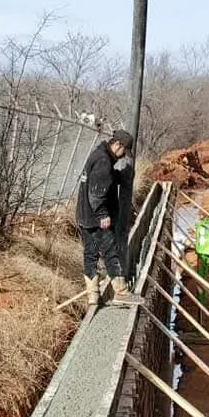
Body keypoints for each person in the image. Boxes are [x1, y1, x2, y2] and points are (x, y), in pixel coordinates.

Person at [76, 129, 134, 306]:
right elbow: (96, 192)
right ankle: (121, 292)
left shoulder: (99, 155)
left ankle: (93, 296)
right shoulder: (103, 161)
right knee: (111, 252)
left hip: (84, 215)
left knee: (91, 254)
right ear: (117, 145)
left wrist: (117, 177)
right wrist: (102, 214)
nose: (124, 155)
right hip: (96, 217)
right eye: (124, 151)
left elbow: (101, 179)